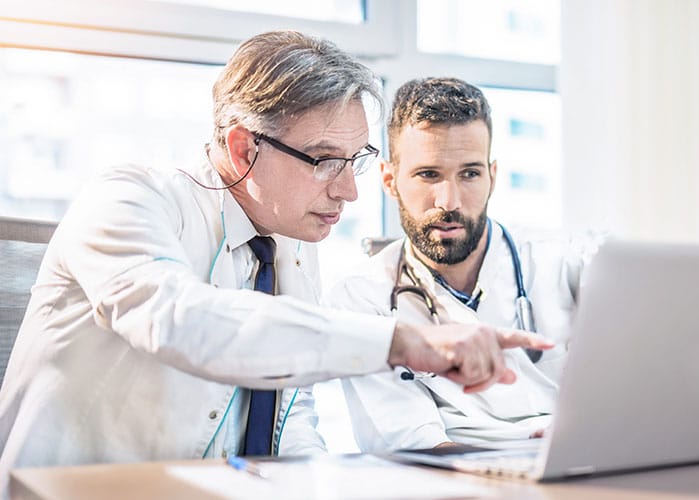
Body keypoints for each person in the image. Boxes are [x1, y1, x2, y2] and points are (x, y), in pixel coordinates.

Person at [0, 32, 551, 492]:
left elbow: (291, 415)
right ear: (244, 149)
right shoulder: (129, 199)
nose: (349, 193)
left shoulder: (291, 243)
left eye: (354, 161)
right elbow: (184, 320)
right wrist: (399, 342)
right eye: (325, 161)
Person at [318, 77, 595, 453]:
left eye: (469, 174)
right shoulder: (362, 298)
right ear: (389, 179)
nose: (449, 201)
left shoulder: (564, 263)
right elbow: (415, 447)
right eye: (428, 174)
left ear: (492, 177)